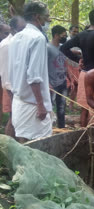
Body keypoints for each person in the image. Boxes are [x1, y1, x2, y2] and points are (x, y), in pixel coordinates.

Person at [8, 2, 52, 142]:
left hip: (19, 102)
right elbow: (33, 76)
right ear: (37, 16)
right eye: (46, 16)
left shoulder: (16, 38)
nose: (48, 20)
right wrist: (40, 105)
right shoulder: (37, 38)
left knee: (23, 143)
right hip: (33, 104)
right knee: (37, 147)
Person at [61, 9, 94, 127]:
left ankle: (83, 137)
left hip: (84, 74)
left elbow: (63, 48)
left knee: (84, 108)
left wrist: (79, 59)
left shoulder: (81, 35)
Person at [0, 16, 26, 137]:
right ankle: (7, 147)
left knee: (19, 119)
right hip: (11, 89)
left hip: (19, 88)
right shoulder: (6, 45)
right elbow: (5, 73)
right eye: (20, 29)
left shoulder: (19, 43)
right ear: (12, 29)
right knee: (13, 118)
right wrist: (11, 94)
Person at [48, 25, 69, 128]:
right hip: (52, 83)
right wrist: (47, 82)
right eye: (63, 35)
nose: (65, 37)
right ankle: (49, 128)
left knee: (61, 107)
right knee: (50, 107)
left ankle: (62, 128)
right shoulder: (47, 48)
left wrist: (69, 77)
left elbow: (65, 64)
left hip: (63, 81)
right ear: (56, 35)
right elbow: (43, 66)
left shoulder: (62, 48)